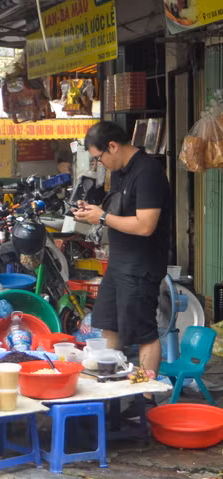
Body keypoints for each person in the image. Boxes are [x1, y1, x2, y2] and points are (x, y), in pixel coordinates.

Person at [73, 121, 171, 391]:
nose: (99, 163)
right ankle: (111, 390)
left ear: (113, 146)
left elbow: (145, 225)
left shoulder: (148, 172)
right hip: (118, 265)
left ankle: (145, 396)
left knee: (144, 334)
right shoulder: (119, 172)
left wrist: (102, 218)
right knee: (109, 325)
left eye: (98, 157)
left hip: (141, 266)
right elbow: (118, 211)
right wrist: (92, 211)